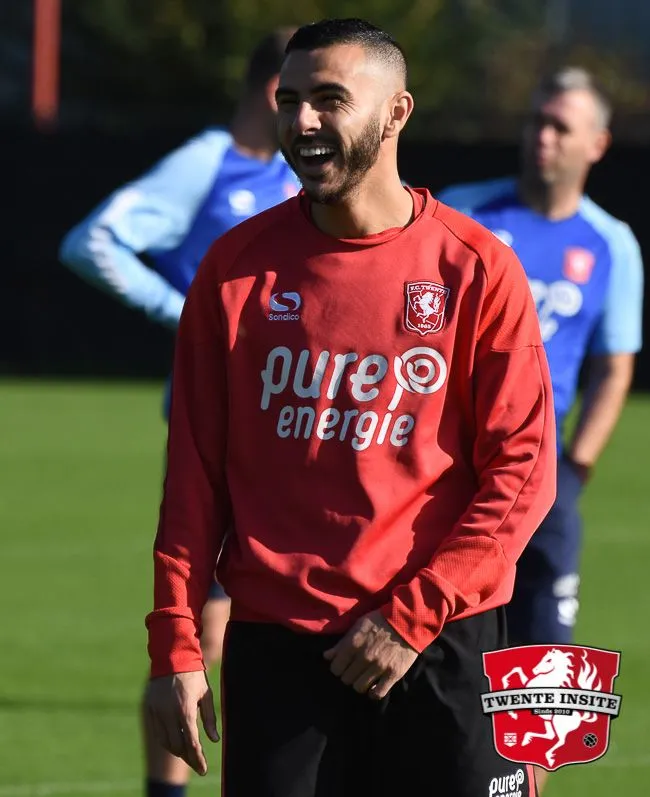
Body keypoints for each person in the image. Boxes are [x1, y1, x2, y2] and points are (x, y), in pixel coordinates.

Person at [143, 18, 556, 797]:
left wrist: (413, 615)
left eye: (329, 100)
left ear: (396, 112)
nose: (302, 121)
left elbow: (522, 473)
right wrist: (176, 644)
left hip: (442, 641)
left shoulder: (477, 270)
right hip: (281, 654)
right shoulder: (233, 273)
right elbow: (192, 481)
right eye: (289, 100)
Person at [58, 27, 301, 797]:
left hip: (295, 423)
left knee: (264, 617)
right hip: (222, 423)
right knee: (205, 624)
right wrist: (184, 312)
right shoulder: (209, 162)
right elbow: (92, 241)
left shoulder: (301, 181)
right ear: (277, 94)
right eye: (310, 97)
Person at [437, 67, 644, 792]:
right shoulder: (462, 213)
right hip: (445, 470)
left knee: (542, 673)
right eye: (537, 122)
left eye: (561, 126)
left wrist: (578, 463)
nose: (543, 137)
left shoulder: (611, 243)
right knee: (434, 653)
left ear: (597, 143)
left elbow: (615, 366)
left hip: (543, 480)